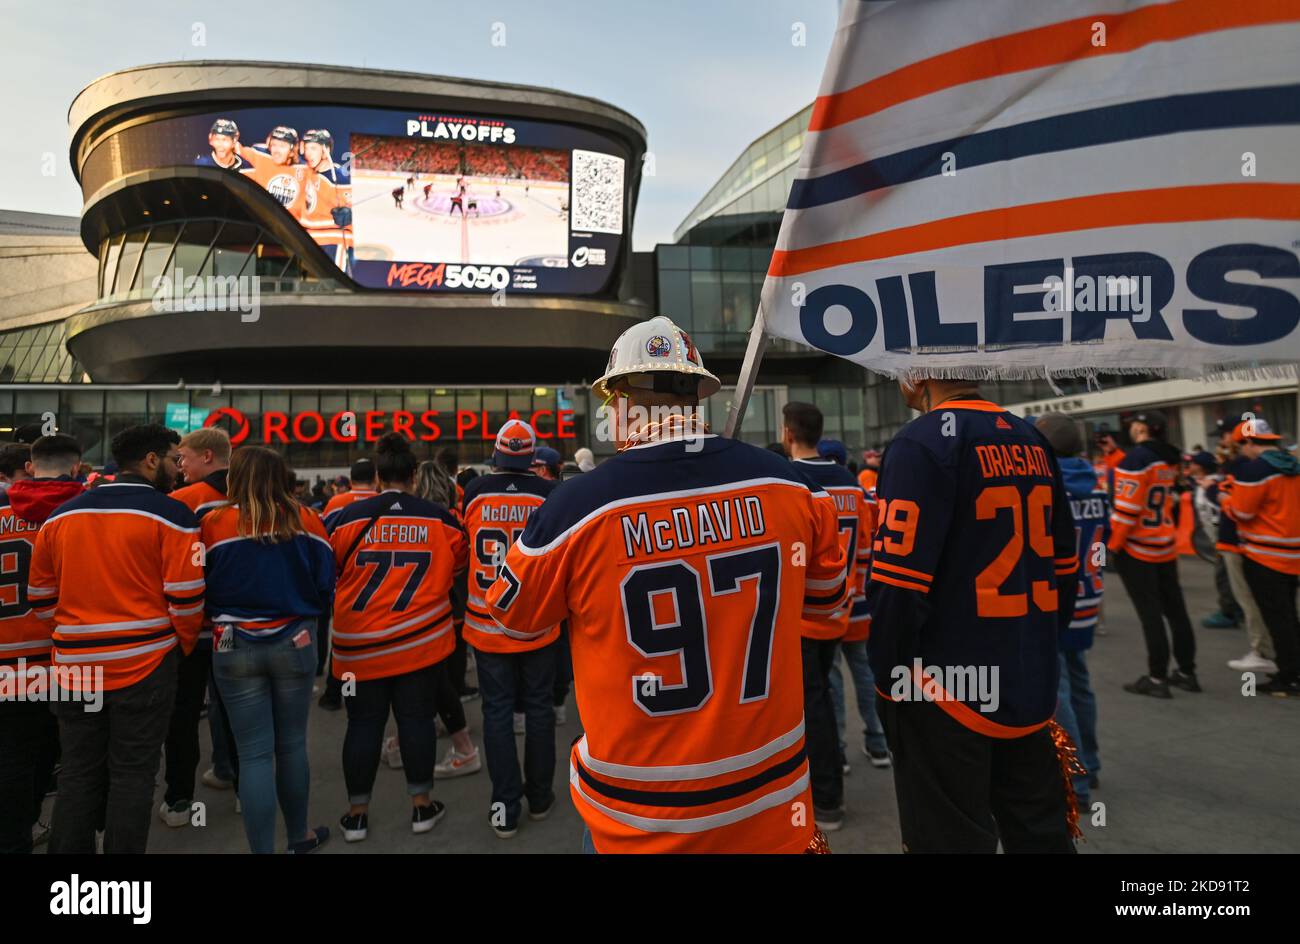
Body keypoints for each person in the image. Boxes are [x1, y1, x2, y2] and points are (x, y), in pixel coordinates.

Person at [485, 315, 848, 853]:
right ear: (697, 395)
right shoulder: (796, 488)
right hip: (771, 804)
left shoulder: (575, 508)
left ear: (622, 397)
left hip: (637, 816)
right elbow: (825, 610)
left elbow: (512, 615)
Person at [866, 378, 1079, 853]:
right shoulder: (1031, 437)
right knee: (1041, 835)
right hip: (1026, 678)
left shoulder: (919, 442)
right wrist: (1041, 647)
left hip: (944, 685)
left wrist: (889, 673)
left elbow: (898, 583)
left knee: (948, 840)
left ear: (916, 372)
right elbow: (1066, 564)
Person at [30, 424, 204, 854]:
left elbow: (39, 598)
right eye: (173, 458)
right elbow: (187, 600)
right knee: (132, 775)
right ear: (150, 460)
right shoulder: (172, 514)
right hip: (145, 663)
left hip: (74, 665)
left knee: (77, 774)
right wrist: (178, 645)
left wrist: (78, 629)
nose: (178, 468)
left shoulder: (60, 516)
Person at [328, 434, 466, 840]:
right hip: (420, 643)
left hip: (359, 649)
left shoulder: (345, 518)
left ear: (375, 474)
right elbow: (457, 566)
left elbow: (330, 566)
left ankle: (357, 814)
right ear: (412, 474)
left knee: (362, 726)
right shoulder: (440, 518)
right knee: (416, 721)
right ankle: (421, 807)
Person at [201, 445, 334, 853]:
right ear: (282, 477)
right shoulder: (307, 519)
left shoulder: (211, 523)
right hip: (295, 640)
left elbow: (195, 586)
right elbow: (327, 584)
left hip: (231, 643)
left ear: (233, 477)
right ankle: (299, 837)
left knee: (253, 753)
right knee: (292, 744)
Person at [463, 420, 559, 838]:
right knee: (539, 708)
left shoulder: (474, 492)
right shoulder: (549, 494)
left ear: (498, 452)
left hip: (487, 620)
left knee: (497, 712)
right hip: (536, 620)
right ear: (531, 456)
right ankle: (539, 798)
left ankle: (504, 804)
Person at [783, 413, 873, 832]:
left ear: (788, 432)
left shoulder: (792, 479)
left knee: (813, 702)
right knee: (828, 690)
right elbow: (867, 544)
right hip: (842, 605)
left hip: (805, 613)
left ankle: (827, 790)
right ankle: (836, 764)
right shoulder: (852, 483)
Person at [0, 433, 83, 853]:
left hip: (6, 654)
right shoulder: (80, 515)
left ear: (30, 468)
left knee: (13, 754)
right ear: (77, 468)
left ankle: (15, 837)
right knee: (70, 757)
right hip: (63, 654)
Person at [159, 427, 238, 826]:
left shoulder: (182, 500)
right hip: (239, 624)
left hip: (192, 624)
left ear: (207, 457)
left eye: (183, 457)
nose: (180, 465)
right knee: (237, 707)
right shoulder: (254, 494)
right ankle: (241, 783)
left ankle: (178, 800)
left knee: (184, 714)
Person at [1036, 414, 1106, 810]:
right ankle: (1091, 764)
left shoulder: (1047, 485)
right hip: (1088, 595)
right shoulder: (1096, 482)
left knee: (1058, 688)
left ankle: (1075, 779)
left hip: (1056, 596)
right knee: (1080, 681)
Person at [1111, 410, 1199, 698]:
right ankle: (1187, 671)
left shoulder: (1135, 459)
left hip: (1138, 547)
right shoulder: (1171, 457)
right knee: (1176, 611)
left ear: (1143, 428)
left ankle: (1157, 678)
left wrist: (1111, 548)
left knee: (1150, 615)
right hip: (1164, 542)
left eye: (1135, 424)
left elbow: (1126, 511)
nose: (1132, 429)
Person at [815, 441, 887, 775]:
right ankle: (877, 742)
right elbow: (873, 545)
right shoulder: (861, 494)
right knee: (864, 671)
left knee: (831, 682)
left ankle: (838, 749)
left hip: (825, 602)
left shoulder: (809, 490)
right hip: (859, 600)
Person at [411, 458, 481, 779]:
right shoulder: (456, 515)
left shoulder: (424, 518)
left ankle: (460, 742)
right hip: (458, 607)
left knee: (437, 680)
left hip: (436, 610)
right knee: (443, 678)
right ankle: (444, 727)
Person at [1219, 418, 1300, 695]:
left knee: (1277, 619)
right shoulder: (1292, 464)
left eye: (1243, 445)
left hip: (1264, 555)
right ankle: (1294, 670)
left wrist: (1226, 500)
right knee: (1290, 615)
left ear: (1251, 443)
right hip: (1292, 552)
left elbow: (1242, 512)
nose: (1242, 451)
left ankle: (1289, 677)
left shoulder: (1256, 469)